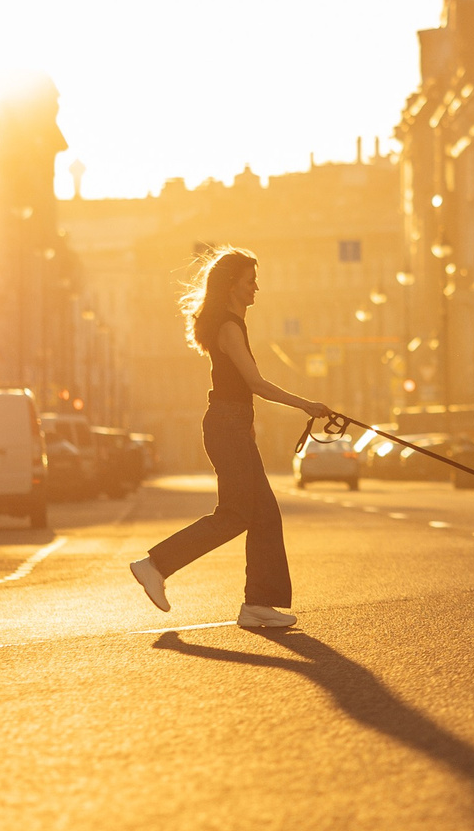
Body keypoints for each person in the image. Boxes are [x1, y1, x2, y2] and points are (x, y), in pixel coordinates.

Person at [130, 248, 332, 630]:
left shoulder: (231, 322)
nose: (257, 287)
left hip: (232, 425)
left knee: (266, 515)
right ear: (232, 284)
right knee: (235, 514)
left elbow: (237, 387)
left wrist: (248, 423)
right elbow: (254, 382)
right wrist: (305, 404)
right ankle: (156, 564)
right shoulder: (228, 327)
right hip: (226, 426)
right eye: (250, 280)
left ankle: (258, 604)